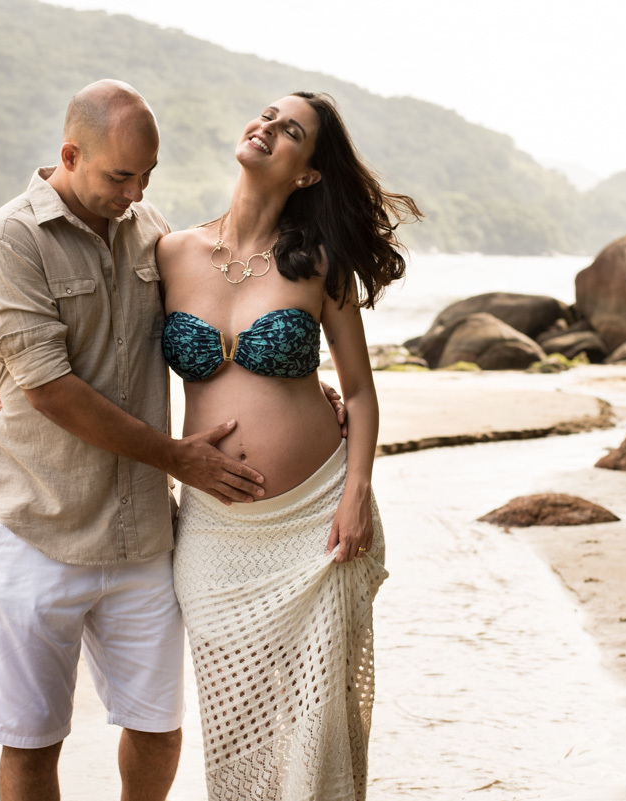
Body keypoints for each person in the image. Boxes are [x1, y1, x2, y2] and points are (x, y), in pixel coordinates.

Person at [0, 79, 348, 801]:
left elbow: (222, 327)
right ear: (70, 154)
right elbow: (48, 385)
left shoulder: (153, 234)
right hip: (35, 523)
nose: (135, 190)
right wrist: (174, 454)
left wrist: (302, 383)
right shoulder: (11, 238)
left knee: (156, 726)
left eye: (148, 175)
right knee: (31, 739)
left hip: (142, 532)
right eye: (120, 176)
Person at [158, 92, 420, 799]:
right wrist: (9, 386)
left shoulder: (319, 266)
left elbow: (360, 394)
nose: (267, 128)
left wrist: (356, 493)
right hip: (212, 533)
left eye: (290, 130)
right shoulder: (170, 252)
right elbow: (106, 344)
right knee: (235, 721)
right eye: (266, 115)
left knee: (317, 718)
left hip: (317, 522)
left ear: (307, 174)